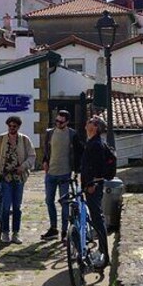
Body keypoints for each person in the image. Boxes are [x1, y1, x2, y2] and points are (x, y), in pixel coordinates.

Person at [0, 115, 35, 244]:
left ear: (18, 127)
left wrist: (23, 166)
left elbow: (32, 156)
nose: (11, 128)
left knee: (17, 207)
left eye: (14, 126)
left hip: (19, 177)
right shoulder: (0, 139)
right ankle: (5, 232)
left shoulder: (24, 140)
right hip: (5, 177)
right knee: (5, 206)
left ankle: (16, 233)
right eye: (10, 126)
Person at [41, 110, 83, 241]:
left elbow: (77, 152)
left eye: (61, 121)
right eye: (56, 121)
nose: (58, 123)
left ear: (67, 122)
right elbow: (46, 150)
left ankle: (65, 231)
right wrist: (44, 161)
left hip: (65, 173)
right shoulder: (49, 133)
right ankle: (53, 228)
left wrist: (76, 170)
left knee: (65, 203)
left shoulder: (72, 134)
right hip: (51, 173)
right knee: (49, 201)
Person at [80, 115, 109, 270]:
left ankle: (104, 254)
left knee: (97, 219)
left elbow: (97, 168)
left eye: (90, 122)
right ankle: (101, 251)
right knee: (96, 218)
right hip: (90, 186)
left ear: (95, 127)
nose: (87, 123)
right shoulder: (92, 142)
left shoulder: (96, 144)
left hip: (93, 187)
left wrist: (91, 183)